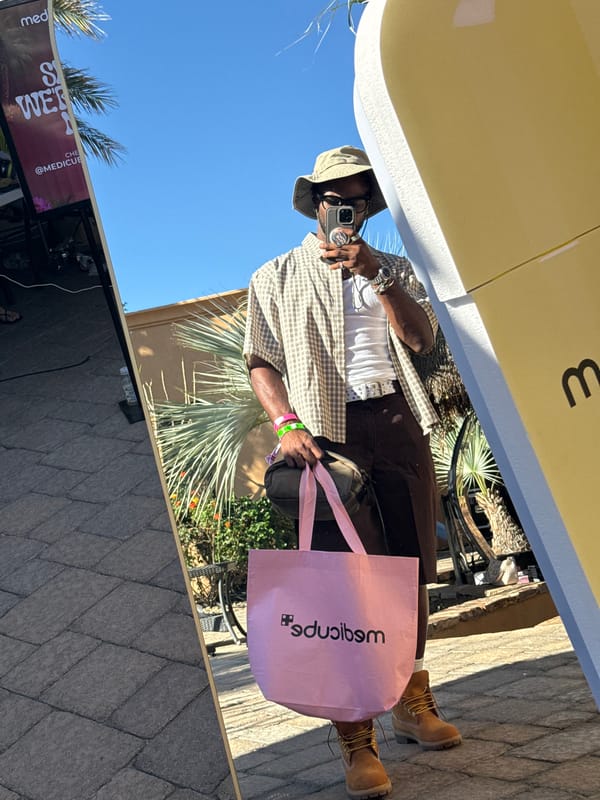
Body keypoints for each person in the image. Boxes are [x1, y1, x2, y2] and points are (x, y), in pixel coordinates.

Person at [243, 145, 461, 799]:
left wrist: (380, 278)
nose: (350, 206)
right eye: (338, 195)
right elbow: (260, 359)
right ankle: (354, 740)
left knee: (411, 570)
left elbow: (422, 342)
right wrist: (285, 424)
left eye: (361, 196)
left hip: (397, 423)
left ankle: (410, 704)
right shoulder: (273, 277)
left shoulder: (389, 267)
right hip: (327, 443)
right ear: (315, 202)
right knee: (343, 589)